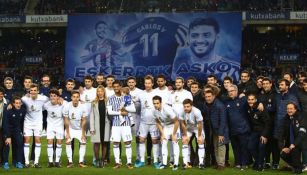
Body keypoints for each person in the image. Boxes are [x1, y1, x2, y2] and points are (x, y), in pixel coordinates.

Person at [172, 17, 240, 82]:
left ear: (217, 37)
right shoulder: (176, 65)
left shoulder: (233, 68)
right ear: (188, 37)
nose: (200, 40)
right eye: (194, 35)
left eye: (206, 35)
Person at [107, 80, 135, 169]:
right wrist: (120, 113)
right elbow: (109, 112)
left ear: (120, 87)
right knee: (115, 143)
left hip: (126, 124)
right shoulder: (111, 98)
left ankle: (129, 162)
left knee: (127, 142)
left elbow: (133, 109)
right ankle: (117, 162)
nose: (115, 88)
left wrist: (125, 109)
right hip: (115, 124)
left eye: (117, 86)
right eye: (114, 87)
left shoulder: (126, 97)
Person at [272, 79, 299, 169]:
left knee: (290, 146)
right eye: (279, 85)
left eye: (282, 85)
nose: (280, 86)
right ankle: (276, 164)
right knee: (277, 145)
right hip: (277, 125)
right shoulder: (277, 97)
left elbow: (297, 110)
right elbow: (273, 109)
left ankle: (293, 165)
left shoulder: (292, 97)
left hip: (289, 126)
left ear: (287, 86)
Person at [135, 75, 160, 169]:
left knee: (154, 141)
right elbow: (134, 102)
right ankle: (141, 161)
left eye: (149, 83)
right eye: (146, 83)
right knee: (141, 140)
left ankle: (156, 161)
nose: (147, 85)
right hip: (143, 122)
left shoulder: (157, 93)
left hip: (154, 122)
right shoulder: (141, 94)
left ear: (152, 83)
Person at [22, 83, 49, 168]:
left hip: (38, 123)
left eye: (35, 90)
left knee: (38, 140)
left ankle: (36, 162)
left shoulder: (43, 98)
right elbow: (17, 101)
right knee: (27, 140)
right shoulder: (24, 98)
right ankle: (26, 162)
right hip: (28, 122)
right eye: (31, 91)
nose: (33, 92)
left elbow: (52, 99)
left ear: (38, 91)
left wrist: (60, 99)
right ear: (29, 91)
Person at [168, 77, 193, 167]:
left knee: (185, 140)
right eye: (176, 82)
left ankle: (188, 160)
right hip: (174, 121)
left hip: (184, 120)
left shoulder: (188, 93)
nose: (178, 84)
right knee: (174, 140)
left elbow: (190, 107)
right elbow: (169, 106)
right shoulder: (172, 94)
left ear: (183, 83)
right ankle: (173, 160)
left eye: (179, 82)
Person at [225, 84, 250, 170]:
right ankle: (238, 163)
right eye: (229, 92)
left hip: (243, 128)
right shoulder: (226, 102)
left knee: (243, 147)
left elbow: (251, 103)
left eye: (232, 91)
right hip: (232, 129)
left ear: (236, 91)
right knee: (235, 148)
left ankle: (244, 163)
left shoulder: (243, 100)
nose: (230, 93)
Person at [203, 90, 228, 170]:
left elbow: (223, 120)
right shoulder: (206, 104)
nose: (207, 98)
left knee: (221, 146)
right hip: (213, 130)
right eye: (206, 97)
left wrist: (221, 133)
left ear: (214, 96)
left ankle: (221, 164)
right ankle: (218, 163)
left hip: (221, 130)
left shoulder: (219, 105)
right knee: (215, 147)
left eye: (209, 96)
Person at [278, 102, 307, 174]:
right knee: (283, 154)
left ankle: (298, 167)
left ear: (295, 109)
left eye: (291, 109)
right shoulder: (285, 119)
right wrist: (282, 147)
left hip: (301, 142)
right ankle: (297, 166)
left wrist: (294, 144)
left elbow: (302, 133)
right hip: (291, 144)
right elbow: (281, 134)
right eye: (287, 109)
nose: (289, 110)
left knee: (295, 152)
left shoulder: (302, 117)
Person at [153, 95, 180, 170]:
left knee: (175, 142)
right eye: (154, 103)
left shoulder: (167, 109)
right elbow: (158, 122)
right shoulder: (154, 111)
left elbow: (177, 121)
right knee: (163, 142)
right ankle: (164, 164)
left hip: (174, 125)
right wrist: (162, 134)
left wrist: (174, 134)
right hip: (166, 126)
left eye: (157, 103)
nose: (155, 105)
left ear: (161, 103)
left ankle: (176, 164)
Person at [246, 94, 271, 171]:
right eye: (249, 99)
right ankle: (258, 161)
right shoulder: (249, 108)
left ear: (256, 100)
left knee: (261, 147)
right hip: (254, 132)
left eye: (252, 99)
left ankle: (260, 165)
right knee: (250, 147)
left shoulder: (261, 108)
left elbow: (268, 123)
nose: (250, 101)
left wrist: (264, 135)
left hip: (263, 132)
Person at [63, 91, 88, 168]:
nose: (75, 98)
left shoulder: (83, 106)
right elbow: (66, 120)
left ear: (79, 98)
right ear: (71, 98)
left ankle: (81, 161)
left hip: (80, 129)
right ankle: (70, 162)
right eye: (74, 97)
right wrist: (67, 133)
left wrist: (83, 134)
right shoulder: (67, 106)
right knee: (68, 142)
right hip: (70, 128)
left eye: (77, 97)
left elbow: (84, 120)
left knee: (83, 142)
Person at [180, 99, 205, 169]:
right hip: (188, 128)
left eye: (188, 106)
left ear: (191, 106)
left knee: (200, 141)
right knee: (185, 141)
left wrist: (199, 136)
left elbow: (200, 124)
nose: (186, 108)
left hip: (197, 127)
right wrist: (185, 135)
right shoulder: (182, 111)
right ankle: (185, 163)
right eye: (184, 106)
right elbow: (182, 123)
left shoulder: (197, 111)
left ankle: (201, 163)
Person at [43, 89, 66, 168]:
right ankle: (50, 162)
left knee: (59, 142)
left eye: (54, 96)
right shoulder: (46, 104)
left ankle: (57, 161)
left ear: (58, 97)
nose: (52, 97)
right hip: (50, 126)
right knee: (49, 141)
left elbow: (72, 104)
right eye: (51, 96)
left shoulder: (63, 103)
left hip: (59, 125)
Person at [90, 85, 111, 168]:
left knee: (104, 143)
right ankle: (97, 160)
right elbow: (92, 116)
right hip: (96, 126)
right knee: (96, 143)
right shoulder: (94, 102)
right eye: (98, 91)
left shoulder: (108, 101)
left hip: (106, 125)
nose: (100, 93)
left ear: (104, 92)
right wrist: (92, 128)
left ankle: (103, 160)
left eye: (101, 91)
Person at [2, 96, 25, 170]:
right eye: (16, 103)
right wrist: (7, 136)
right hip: (7, 129)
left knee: (19, 144)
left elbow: (22, 122)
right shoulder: (8, 110)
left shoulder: (22, 110)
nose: (18, 105)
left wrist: (21, 131)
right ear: (13, 104)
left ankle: (18, 162)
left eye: (19, 103)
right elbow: (5, 123)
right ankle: (5, 163)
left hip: (17, 130)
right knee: (7, 145)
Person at [126, 76, 142, 162]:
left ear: (135, 83)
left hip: (137, 118)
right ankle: (129, 159)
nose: (131, 84)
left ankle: (138, 157)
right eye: (129, 82)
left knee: (138, 138)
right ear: (127, 83)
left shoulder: (140, 92)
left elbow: (141, 106)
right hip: (126, 118)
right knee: (127, 138)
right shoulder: (124, 92)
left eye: (132, 82)